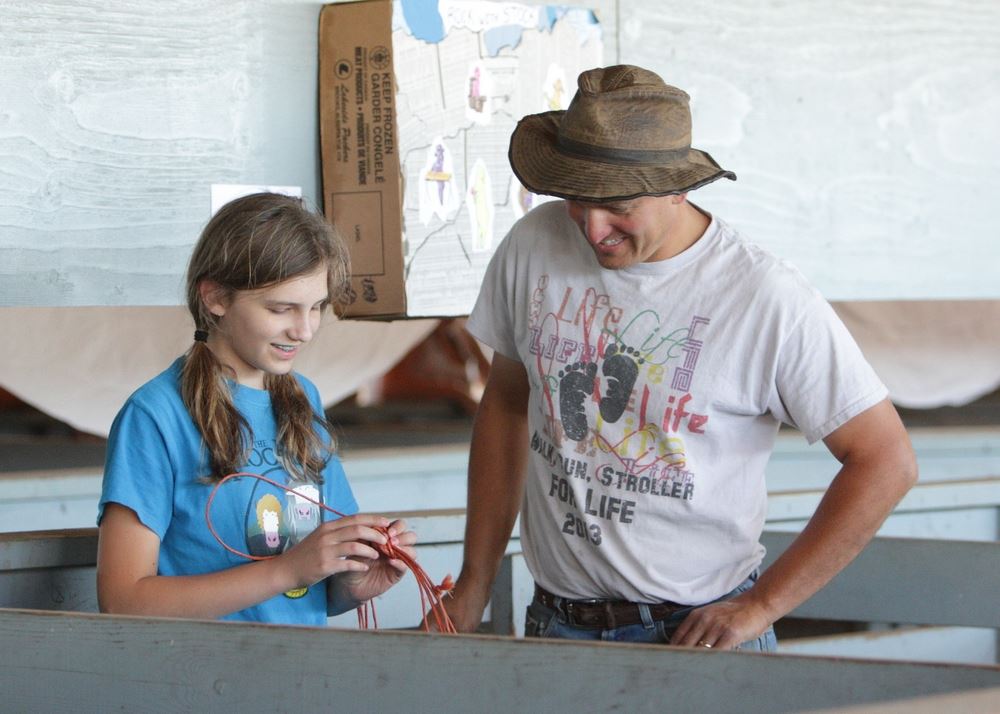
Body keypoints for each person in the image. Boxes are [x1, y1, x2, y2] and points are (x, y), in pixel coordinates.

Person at [446, 65, 917, 650]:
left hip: (694, 631)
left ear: (678, 186)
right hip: (553, 624)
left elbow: (885, 460)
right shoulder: (533, 243)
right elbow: (507, 405)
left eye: (617, 205)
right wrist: (475, 581)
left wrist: (762, 605)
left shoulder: (765, 297)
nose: (593, 229)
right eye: (575, 199)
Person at [96, 192, 415, 625]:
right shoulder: (155, 415)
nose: (304, 330)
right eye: (281, 308)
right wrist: (286, 570)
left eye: (317, 307)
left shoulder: (304, 400)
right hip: (202, 682)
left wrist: (353, 585)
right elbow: (122, 601)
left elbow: (308, 589)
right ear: (215, 297)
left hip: (301, 678)